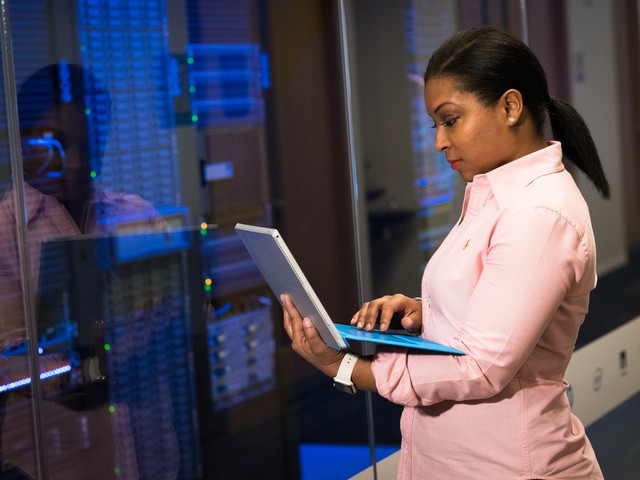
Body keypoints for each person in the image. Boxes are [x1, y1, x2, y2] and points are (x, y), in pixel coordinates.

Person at [282, 26, 608, 479]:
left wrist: (345, 367)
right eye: (434, 125)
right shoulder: (491, 195)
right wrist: (424, 310)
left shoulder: (540, 212)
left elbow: (481, 366)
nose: (439, 141)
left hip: (511, 466)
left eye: (450, 120)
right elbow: (493, 308)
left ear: (510, 107)